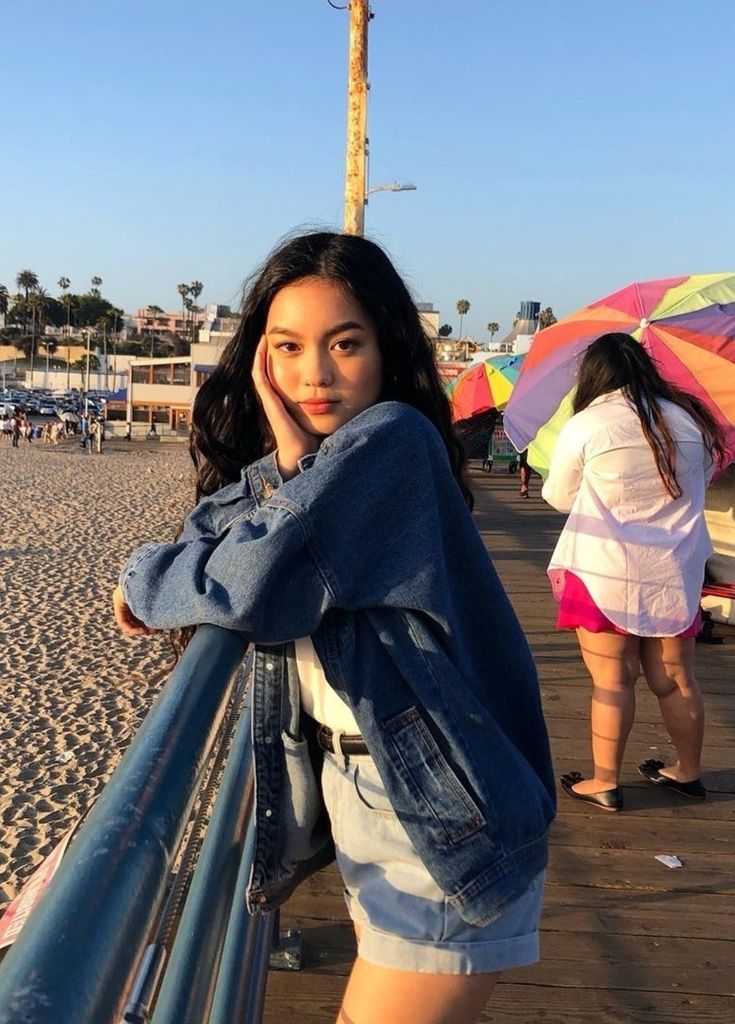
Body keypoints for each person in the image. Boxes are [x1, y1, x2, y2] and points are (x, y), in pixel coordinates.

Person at [113, 231, 555, 1024]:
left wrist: (144, 581)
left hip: (439, 816)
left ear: (385, 349)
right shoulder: (322, 464)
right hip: (373, 798)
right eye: (286, 348)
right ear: (260, 362)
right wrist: (285, 460)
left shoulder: (395, 442)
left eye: (343, 344)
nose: (313, 374)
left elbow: (243, 582)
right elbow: (209, 532)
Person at [542, 332, 728, 813]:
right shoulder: (689, 421)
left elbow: (558, 495)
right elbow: (699, 484)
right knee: (676, 680)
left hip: (606, 571)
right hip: (675, 572)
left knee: (613, 680)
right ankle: (688, 772)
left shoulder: (590, 423)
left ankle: (605, 781)